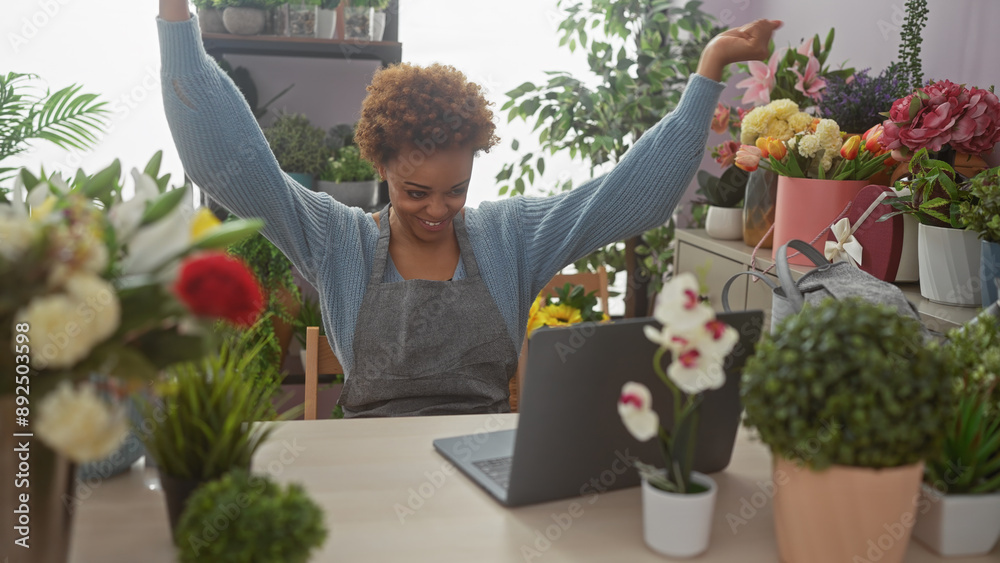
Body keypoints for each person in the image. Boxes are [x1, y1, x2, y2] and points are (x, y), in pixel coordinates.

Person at [156, 0, 780, 418]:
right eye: (414, 192)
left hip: (485, 455)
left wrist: (708, 72)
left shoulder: (511, 237)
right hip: (369, 464)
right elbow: (230, 163)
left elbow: (630, 194)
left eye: (455, 190)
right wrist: (177, 18)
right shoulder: (337, 239)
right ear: (381, 168)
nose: (438, 210)